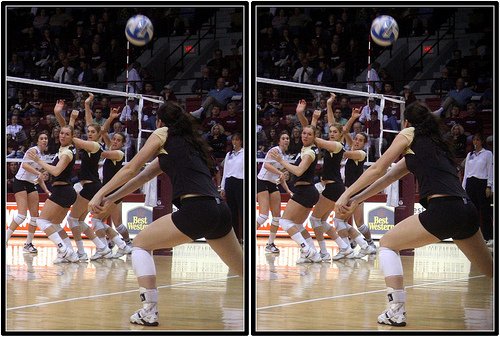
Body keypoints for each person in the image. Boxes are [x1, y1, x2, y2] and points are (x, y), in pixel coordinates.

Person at [335, 101, 493, 327]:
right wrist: (356, 199)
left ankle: (395, 310)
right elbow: (388, 177)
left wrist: (345, 193)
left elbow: (378, 168)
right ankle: (395, 310)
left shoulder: (409, 132)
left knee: (388, 243)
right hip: (466, 210)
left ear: (407, 122)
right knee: (490, 271)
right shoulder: (433, 145)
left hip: (444, 210)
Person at [88, 101, 243, 326]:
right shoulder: (187, 146)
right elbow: (141, 178)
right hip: (219, 210)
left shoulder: (162, 132)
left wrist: (99, 192)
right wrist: (111, 199)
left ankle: (148, 310)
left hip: (197, 210)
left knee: (140, 244)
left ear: (160, 121)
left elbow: (131, 168)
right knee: (243, 272)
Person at [53, 95, 117, 261]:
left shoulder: (94, 145)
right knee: (79, 221)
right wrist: (86, 105)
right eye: (88, 132)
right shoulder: (91, 144)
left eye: (92, 132)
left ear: (98, 134)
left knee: (72, 219)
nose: (89, 134)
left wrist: (67, 119)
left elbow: (69, 136)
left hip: (90, 187)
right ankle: (92, 250)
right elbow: (72, 133)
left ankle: (96, 249)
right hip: (89, 186)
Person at [268, 101, 322, 264]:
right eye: (303, 133)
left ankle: (306, 249)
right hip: (308, 191)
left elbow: (298, 171)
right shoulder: (307, 148)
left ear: (314, 138)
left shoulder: (309, 153)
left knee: (285, 221)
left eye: (308, 135)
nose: (304, 135)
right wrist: (306, 115)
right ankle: (314, 253)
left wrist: (281, 162)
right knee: (297, 225)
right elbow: (310, 129)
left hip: (305, 191)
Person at [26, 120, 79, 263]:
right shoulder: (62, 149)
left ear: (72, 137)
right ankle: (70, 254)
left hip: (63, 191)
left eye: (67, 134)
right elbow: (53, 171)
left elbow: (56, 170)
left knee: (42, 221)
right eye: (61, 133)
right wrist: (43, 172)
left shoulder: (67, 152)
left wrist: (39, 160)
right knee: (55, 225)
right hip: (65, 191)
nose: (62, 136)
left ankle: (63, 249)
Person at [6, 131, 51, 253]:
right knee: (21, 215)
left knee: (35, 216)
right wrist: (38, 173)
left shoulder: (43, 156)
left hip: (31, 184)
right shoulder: (32, 150)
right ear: (37, 141)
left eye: (46, 138)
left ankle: (28, 244)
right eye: (41, 138)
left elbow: (40, 177)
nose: (44, 140)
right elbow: (25, 166)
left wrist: (47, 190)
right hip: (20, 182)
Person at [256, 130, 293, 254]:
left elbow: (282, 178)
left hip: (273, 184)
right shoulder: (274, 150)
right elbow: (266, 166)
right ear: (279, 141)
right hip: (262, 181)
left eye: (287, 138)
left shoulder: (284, 156)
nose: (286, 140)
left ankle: (270, 244)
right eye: (283, 138)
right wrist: (280, 173)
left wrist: (288, 191)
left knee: (277, 217)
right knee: (263, 215)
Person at [462, 133, 494, 243]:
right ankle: (473, 237)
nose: (476, 142)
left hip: (482, 183)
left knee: (484, 210)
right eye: (474, 140)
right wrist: (464, 187)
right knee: (472, 211)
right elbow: (466, 172)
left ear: (482, 141)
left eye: (478, 140)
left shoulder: (488, 154)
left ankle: (488, 236)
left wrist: (489, 185)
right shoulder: (470, 154)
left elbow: (490, 170)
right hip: (470, 183)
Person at [220, 133, 245, 243]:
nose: (235, 142)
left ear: (241, 141)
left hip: (240, 182)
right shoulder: (229, 154)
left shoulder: (245, 153)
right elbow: (225, 171)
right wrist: (222, 187)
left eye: (237, 140)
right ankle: (235, 237)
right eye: (233, 140)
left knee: (243, 210)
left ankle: (245, 236)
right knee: (232, 211)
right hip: (229, 182)